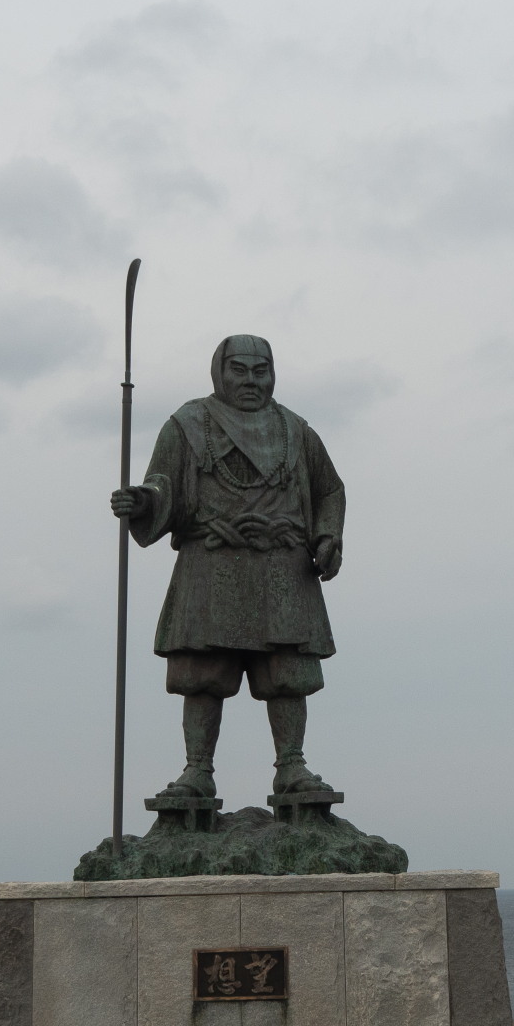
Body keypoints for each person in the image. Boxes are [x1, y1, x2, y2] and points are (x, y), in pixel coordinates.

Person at [110, 334, 345, 801]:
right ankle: (197, 769)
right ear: (220, 371)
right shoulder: (188, 425)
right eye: (240, 370)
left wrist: (327, 535)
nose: (251, 380)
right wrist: (142, 501)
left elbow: (329, 491)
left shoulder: (295, 430)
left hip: (282, 565)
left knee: (286, 674)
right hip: (211, 563)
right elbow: (162, 485)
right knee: (203, 672)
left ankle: (291, 766)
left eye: (261, 371)